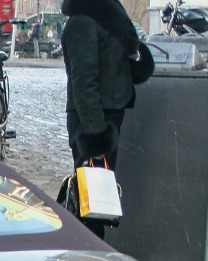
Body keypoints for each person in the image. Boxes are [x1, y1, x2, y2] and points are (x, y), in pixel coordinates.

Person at [59, 0, 151, 236]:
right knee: (91, 199)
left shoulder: (108, 17)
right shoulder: (83, 22)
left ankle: (92, 250)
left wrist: (135, 53)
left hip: (106, 119)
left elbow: (124, 63)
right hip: (92, 123)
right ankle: (88, 254)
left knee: (98, 198)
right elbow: (83, 84)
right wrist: (96, 136)